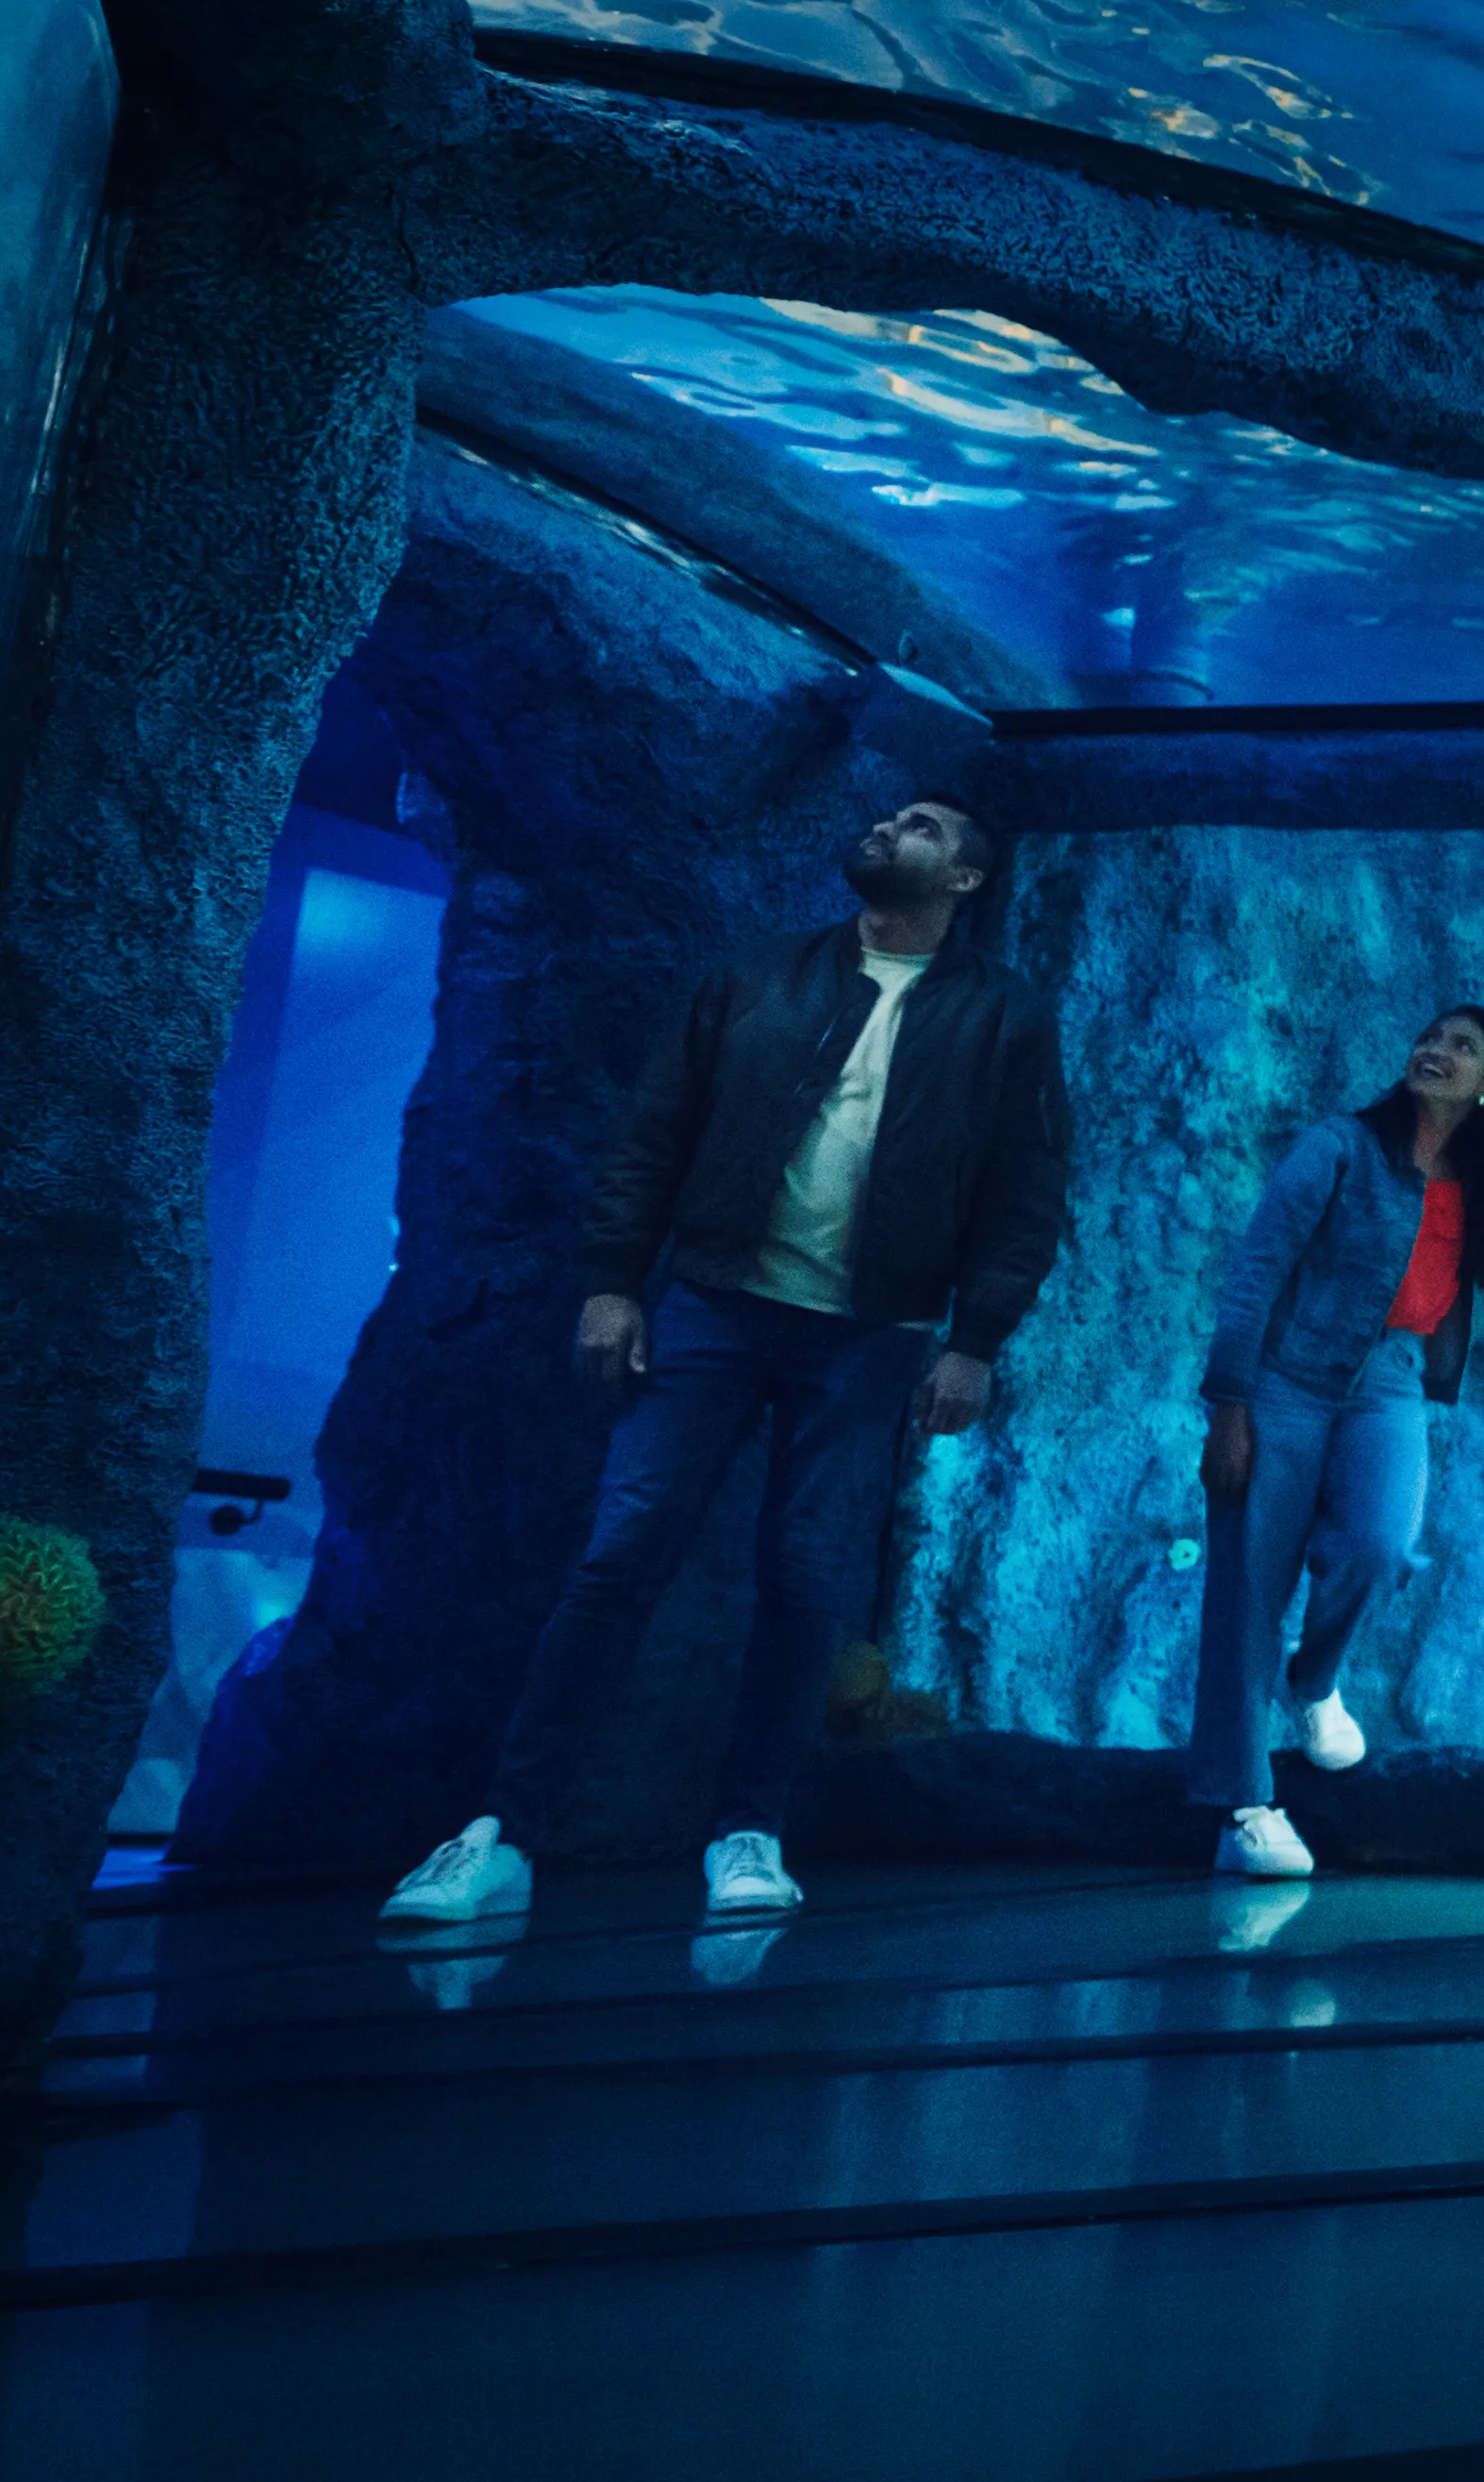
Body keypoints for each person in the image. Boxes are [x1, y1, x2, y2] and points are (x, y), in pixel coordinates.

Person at [382, 791, 1074, 1930]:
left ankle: (749, 1831)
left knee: (804, 1579)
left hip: (872, 1334)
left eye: (924, 827)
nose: (889, 829)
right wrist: (614, 1280)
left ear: (965, 880)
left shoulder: (1005, 1017)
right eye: (888, 817)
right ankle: (502, 1833)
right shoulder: (755, 973)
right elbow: (655, 1129)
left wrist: (976, 1343)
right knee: (618, 1559)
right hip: (712, 1303)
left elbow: (1024, 1190)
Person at [1184, 1003, 1484, 1877]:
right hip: (1285, 1377)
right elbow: (1256, 1267)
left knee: (1382, 1543)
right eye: (1430, 1036)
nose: (1436, 1050)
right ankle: (1244, 1807)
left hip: (1389, 1382)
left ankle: (1314, 1685)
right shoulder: (1339, 1146)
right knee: (1247, 1593)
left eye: (1463, 1047)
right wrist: (1230, 1402)